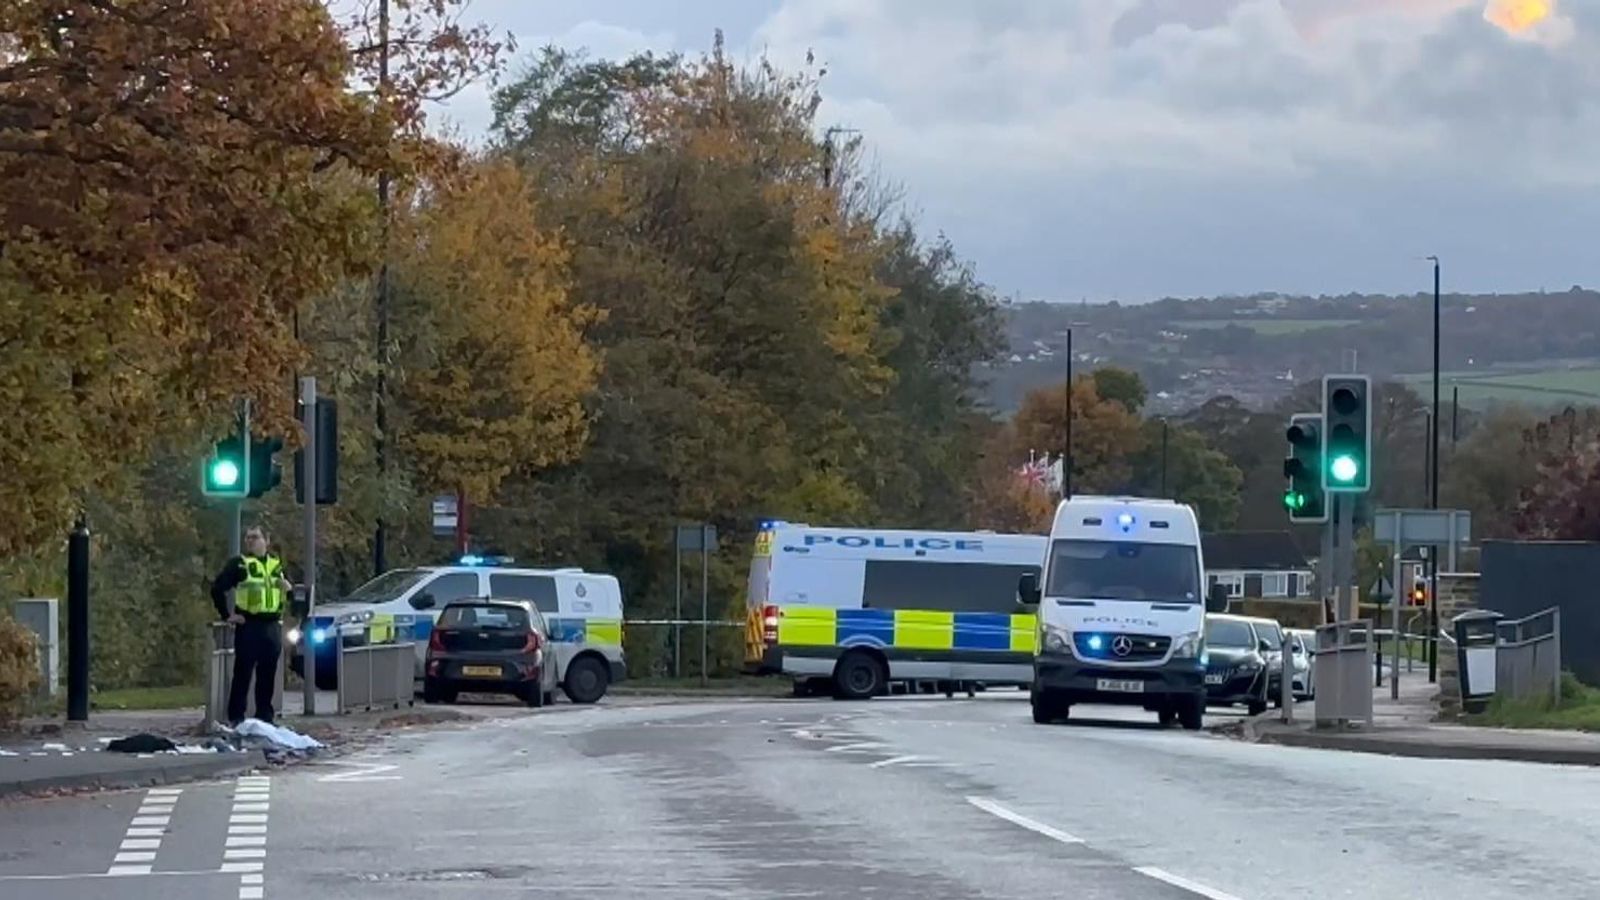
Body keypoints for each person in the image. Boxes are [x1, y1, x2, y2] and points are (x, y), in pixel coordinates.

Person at [210, 526, 293, 726]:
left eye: (255, 537)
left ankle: (265, 717)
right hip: (250, 625)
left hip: (272, 624)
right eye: (247, 538)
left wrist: (289, 590)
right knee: (243, 673)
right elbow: (217, 588)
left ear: (266, 539)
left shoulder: (276, 564)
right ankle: (236, 718)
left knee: (268, 674)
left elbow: (287, 594)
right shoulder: (239, 564)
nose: (250, 541)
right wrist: (228, 615)